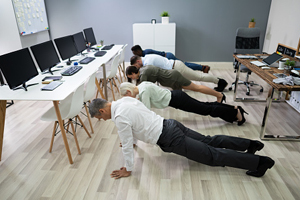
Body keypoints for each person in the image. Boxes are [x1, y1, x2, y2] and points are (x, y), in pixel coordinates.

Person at [89, 97, 275, 179]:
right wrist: (131, 139)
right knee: (210, 141)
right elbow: (139, 120)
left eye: (99, 117)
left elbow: (127, 145)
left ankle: (259, 163)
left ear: (102, 110)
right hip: (170, 124)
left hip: (170, 138)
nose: (102, 120)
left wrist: (128, 169)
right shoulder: (124, 101)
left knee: (212, 155)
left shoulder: (118, 117)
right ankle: (251, 144)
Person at [119, 81, 247, 125]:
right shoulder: (142, 85)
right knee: (205, 106)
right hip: (177, 97)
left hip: (178, 100)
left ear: (128, 92)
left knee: (205, 109)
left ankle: (235, 112)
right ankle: (233, 109)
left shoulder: (143, 92)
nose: (128, 97)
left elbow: (145, 111)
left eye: (126, 96)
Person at [126, 65, 226, 103]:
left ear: (133, 73)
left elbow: (142, 90)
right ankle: (218, 96)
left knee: (196, 88)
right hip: (172, 79)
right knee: (181, 99)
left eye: (131, 77)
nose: (133, 79)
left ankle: (219, 95)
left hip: (174, 78)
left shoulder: (144, 74)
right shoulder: (143, 70)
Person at [130, 55, 228, 92]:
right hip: (174, 66)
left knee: (199, 77)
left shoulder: (148, 63)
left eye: (136, 66)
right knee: (198, 77)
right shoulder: (147, 57)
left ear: (138, 62)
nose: (137, 68)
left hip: (176, 68)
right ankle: (219, 81)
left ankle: (220, 81)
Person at [131, 44, 210, 73]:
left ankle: (202, 67)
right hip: (167, 56)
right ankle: (202, 67)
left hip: (167, 57)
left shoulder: (146, 54)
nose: (134, 54)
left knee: (185, 65)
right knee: (185, 64)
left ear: (138, 51)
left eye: (135, 53)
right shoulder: (146, 52)